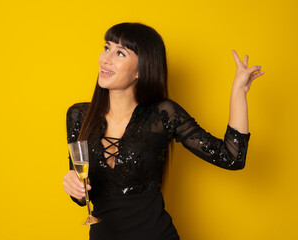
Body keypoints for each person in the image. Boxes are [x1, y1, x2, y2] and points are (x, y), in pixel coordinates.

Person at [62, 22, 264, 240]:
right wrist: (74, 187)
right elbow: (83, 194)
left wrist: (238, 92)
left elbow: (232, 158)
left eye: (120, 53)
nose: (106, 59)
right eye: (106, 48)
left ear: (141, 69)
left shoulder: (163, 115)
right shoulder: (79, 116)